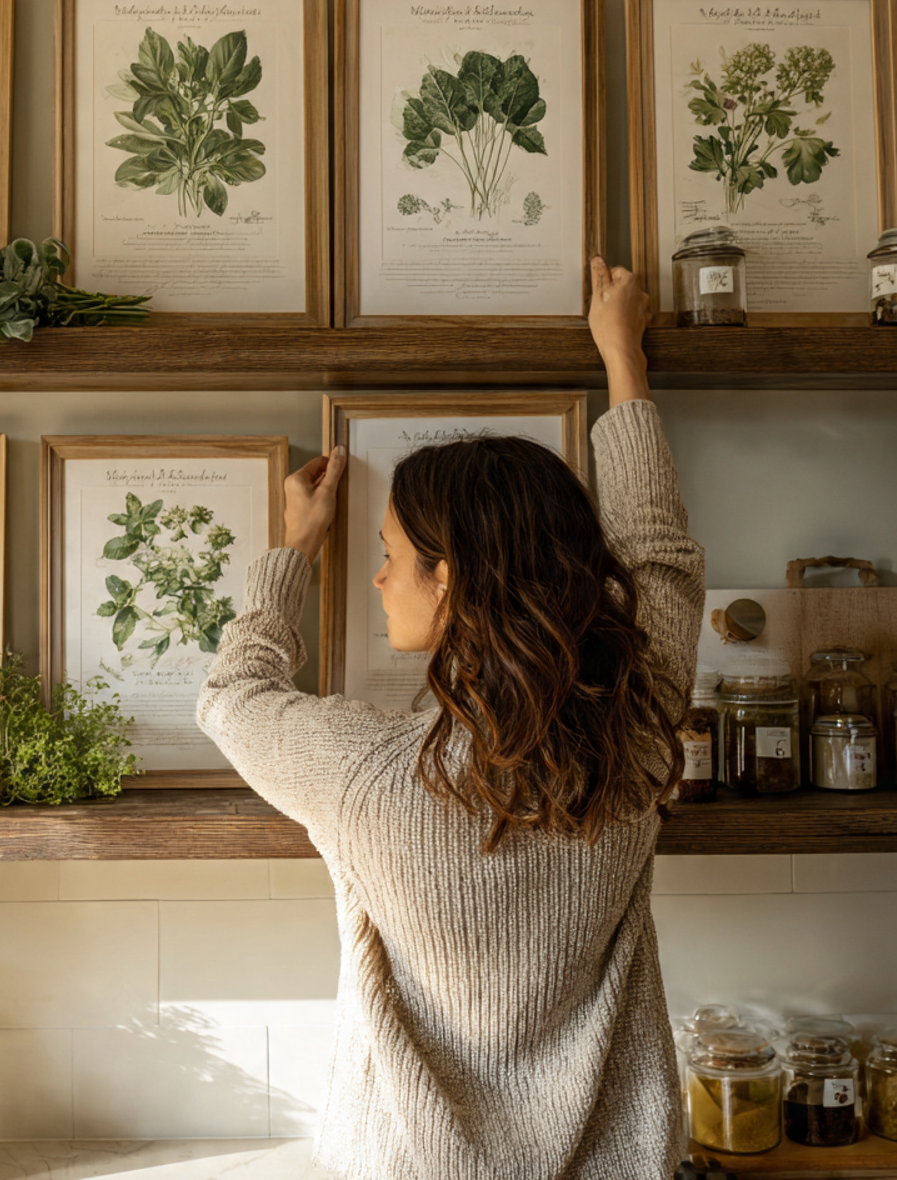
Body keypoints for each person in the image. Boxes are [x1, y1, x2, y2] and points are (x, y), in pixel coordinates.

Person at [196, 257, 706, 1180]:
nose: (380, 576)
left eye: (390, 554)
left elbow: (233, 698)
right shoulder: (632, 733)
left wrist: (297, 548)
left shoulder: (367, 772)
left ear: (452, 579)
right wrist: (621, 356)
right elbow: (660, 559)